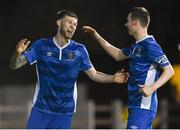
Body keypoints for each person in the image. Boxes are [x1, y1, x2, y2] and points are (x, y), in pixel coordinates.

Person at [10, 10, 128, 129]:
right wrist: (17, 53)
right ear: (58, 23)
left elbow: (94, 74)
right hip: (41, 109)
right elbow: (15, 65)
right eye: (69, 22)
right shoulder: (41, 45)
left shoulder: (79, 50)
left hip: (64, 112)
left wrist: (112, 78)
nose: (72, 26)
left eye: (75, 24)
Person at [82, 7, 175, 129]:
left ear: (135, 22)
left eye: (128, 21)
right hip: (135, 104)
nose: (126, 24)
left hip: (143, 105)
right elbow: (118, 54)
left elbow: (169, 70)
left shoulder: (150, 46)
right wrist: (96, 36)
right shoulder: (136, 46)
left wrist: (152, 88)